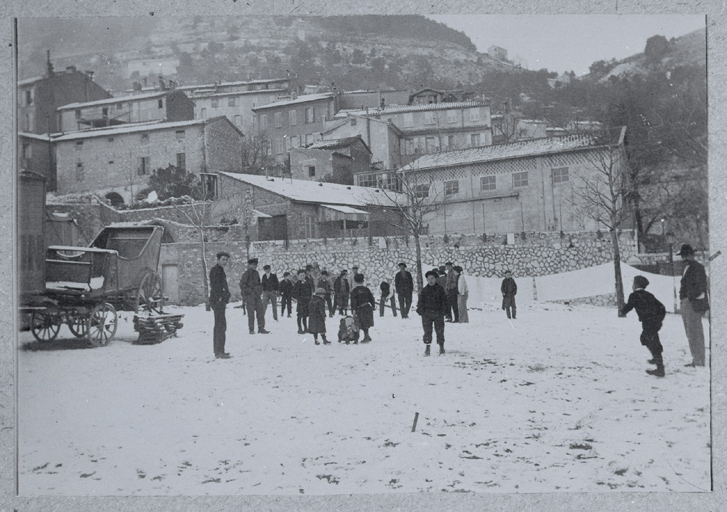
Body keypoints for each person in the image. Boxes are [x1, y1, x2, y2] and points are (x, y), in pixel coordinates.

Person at [620, 275, 667, 377]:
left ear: (636, 285)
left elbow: (629, 306)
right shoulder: (649, 295)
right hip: (654, 322)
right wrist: (659, 320)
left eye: (633, 283)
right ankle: (656, 358)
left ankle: (660, 369)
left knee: (650, 341)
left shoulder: (634, 295)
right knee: (648, 339)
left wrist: (622, 311)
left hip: (648, 323)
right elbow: (662, 307)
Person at [678, 244, 708, 367]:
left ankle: (699, 360)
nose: (684, 258)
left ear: (691, 255)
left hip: (693, 304)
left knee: (695, 332)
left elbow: (701, 287)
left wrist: (690, 297)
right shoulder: (686, 268)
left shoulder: (698, 268)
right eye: (683, 256)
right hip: (686, 303)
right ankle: (696, 358)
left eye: (686, 256)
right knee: (690, 333)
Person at [416, 269, 448, 356]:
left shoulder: (440, 289)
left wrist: (444, 311)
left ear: (436, 279)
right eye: (429, 279)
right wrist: (421, 311)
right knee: (427, 331)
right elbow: (420, 302)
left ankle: (441, 347)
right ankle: (427, 348)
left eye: (432, 279)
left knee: (440, 331)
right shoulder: (424, 290)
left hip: (438, 314)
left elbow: (444, 301)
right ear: (427, 280)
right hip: (427, 314)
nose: (430, 280)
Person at [209, 252, 232, 359]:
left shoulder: (220, 270)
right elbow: (215, 286)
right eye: (223, 259)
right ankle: (218, 352)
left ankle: (220, 350)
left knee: (221, 325)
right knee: (220, 326)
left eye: (226, 260)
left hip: (220, 301)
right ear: (218, 260)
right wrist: (220, 297)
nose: (225, 262)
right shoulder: (215, 271)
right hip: (218, 301)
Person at [239, 258, 270, 335]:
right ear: (249, 265)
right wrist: (249, 291)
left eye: (256, 265)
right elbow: (242, 285)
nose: (255, 266)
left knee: (260, 311)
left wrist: (260, 290)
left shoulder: (256, 273)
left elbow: (259, 283)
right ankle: (251, 329)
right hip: (250, 296)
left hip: (257, 295)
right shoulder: (246, 274)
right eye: (253, 264)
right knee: (251, 313)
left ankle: (261, 328)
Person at [350, 273, 376, 343]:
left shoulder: (355, 291)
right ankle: (366, 335)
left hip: (360, 308)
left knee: (359, 323)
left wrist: (353, 309)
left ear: (355, 281)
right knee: (366, 323)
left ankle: (358, 338)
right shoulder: (366, 289)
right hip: (367, 307)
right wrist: (373, 306)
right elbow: (371, 298)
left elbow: (353, 301)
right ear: (363, 281)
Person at [292, 269, 313, 334]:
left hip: (307, 301)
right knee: (300, 315)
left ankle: (306, 328)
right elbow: (293, 293)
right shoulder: (297, 284)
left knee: (305, 315)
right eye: (301, 275)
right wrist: (298, 298)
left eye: (303, 275)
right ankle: (300, 328)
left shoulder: (308, 283)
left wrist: (310, 298)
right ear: (298, 276)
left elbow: (310, 292)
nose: (302, 277)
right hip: (301, 302)